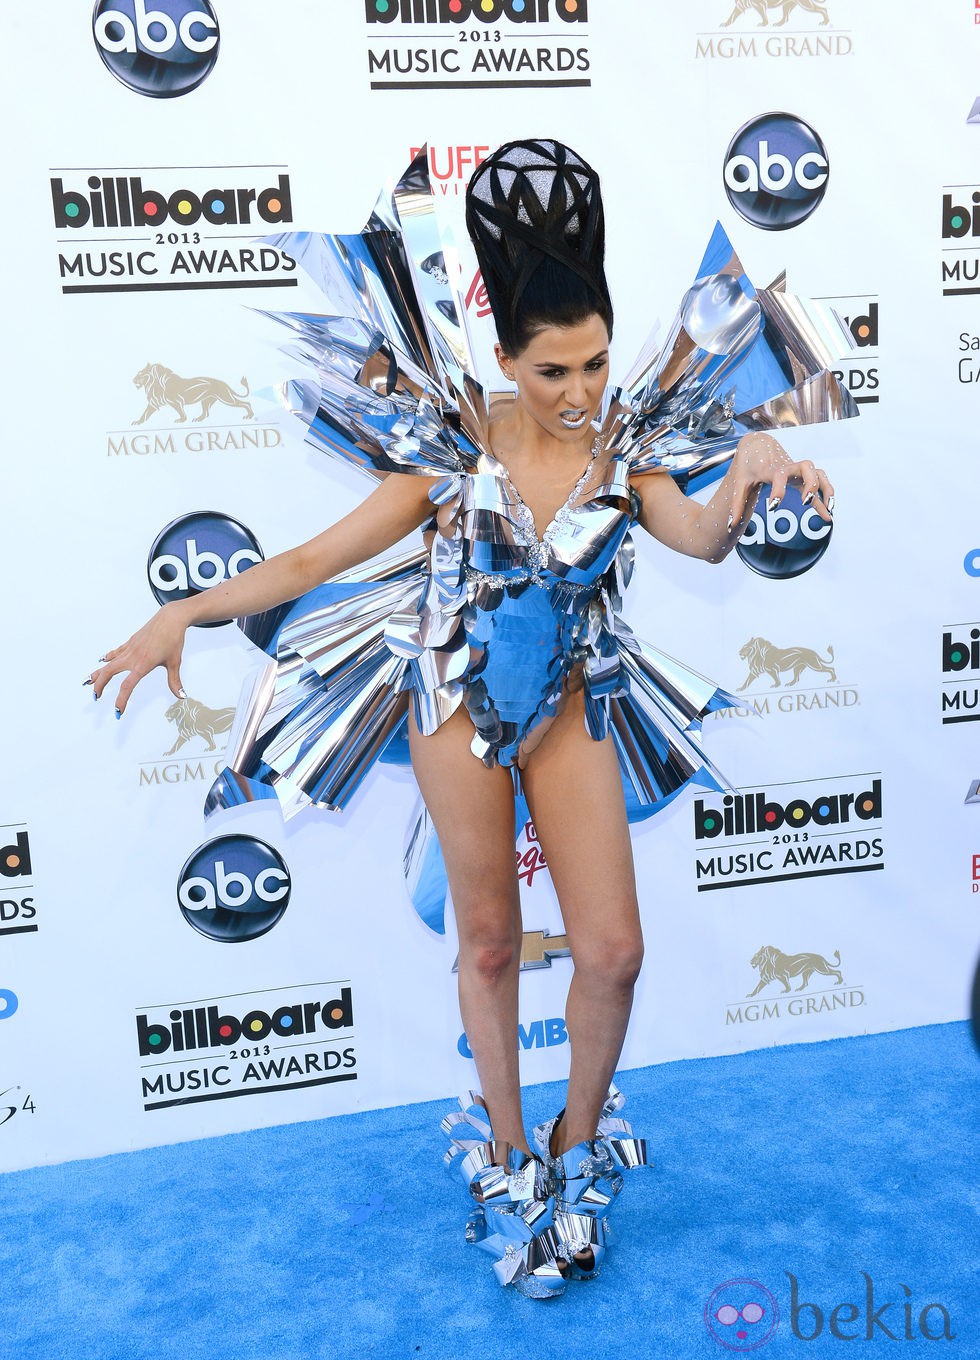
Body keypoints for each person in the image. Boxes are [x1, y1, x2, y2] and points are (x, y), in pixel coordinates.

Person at [89, 139, 838, 1298]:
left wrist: (751, 477)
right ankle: (503, 1156)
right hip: (455, 707)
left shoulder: (625, 440)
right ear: (505, 362)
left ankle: (578, 1151)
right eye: (553, 372)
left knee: (613, 949)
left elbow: (693, 537)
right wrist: (181, 610)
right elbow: (306, 555)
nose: (581, 392)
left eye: (593, 362)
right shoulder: (453, 443)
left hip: (575, 698)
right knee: (486, 939)